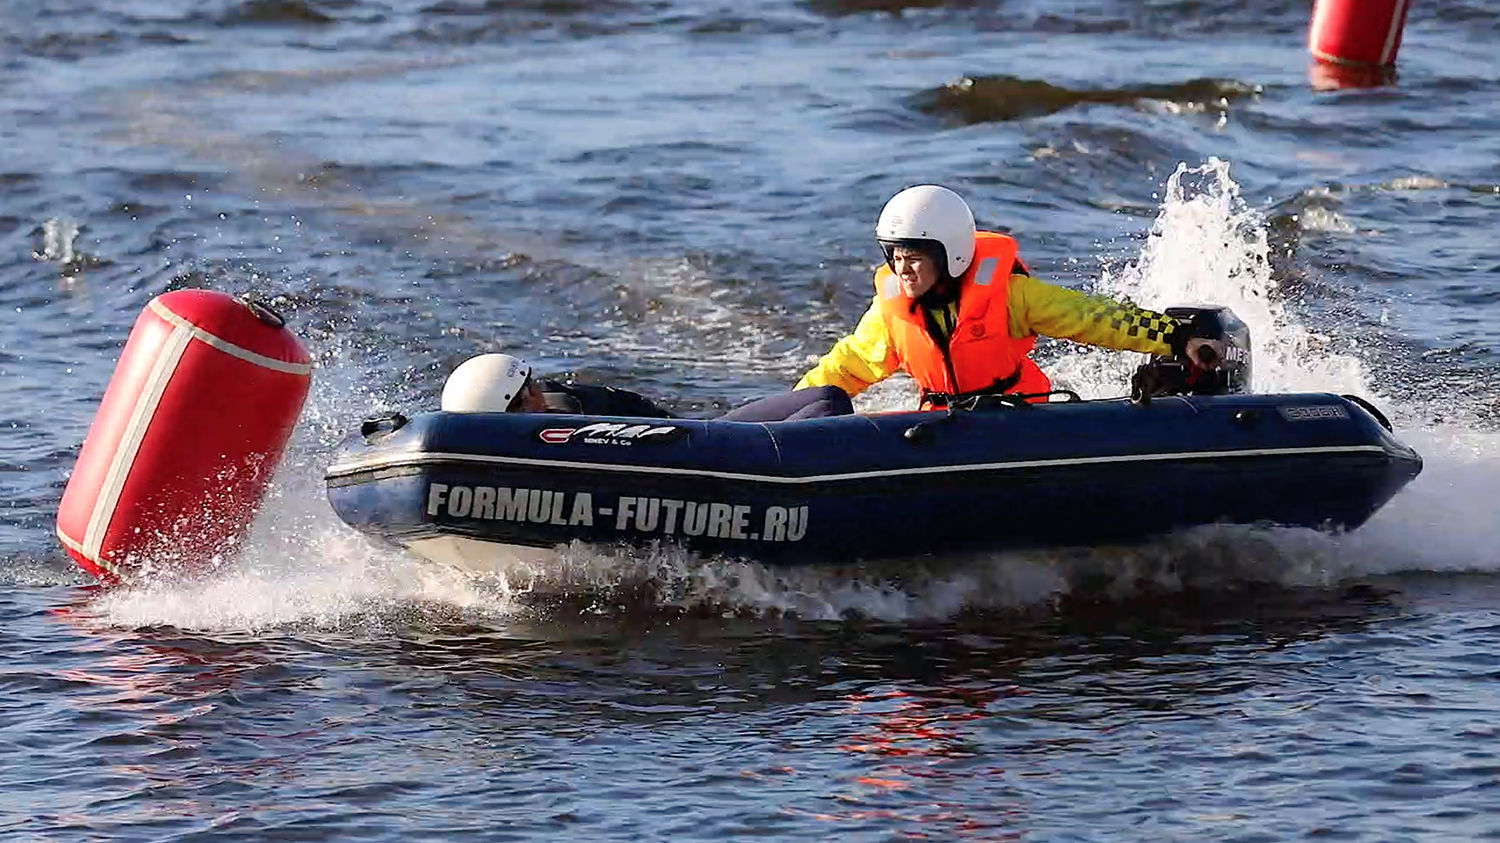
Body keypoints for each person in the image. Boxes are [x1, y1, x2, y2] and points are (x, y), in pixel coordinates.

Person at [795, 184, 1226, 408]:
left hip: (1021, 420)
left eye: (915, 258)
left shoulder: (1012, 295)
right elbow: (848, 364)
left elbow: (1092, 317)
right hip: (941, 429)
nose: (902, 269)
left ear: (950, 254)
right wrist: (788, 413)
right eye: (895, 257)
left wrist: (1176, 336)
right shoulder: (893, 312)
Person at [441, 353, 852, 420]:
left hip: (706, 449)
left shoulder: (568, 409)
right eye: (526, 393)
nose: (538, 394)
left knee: (827, 400)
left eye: (533, 385)